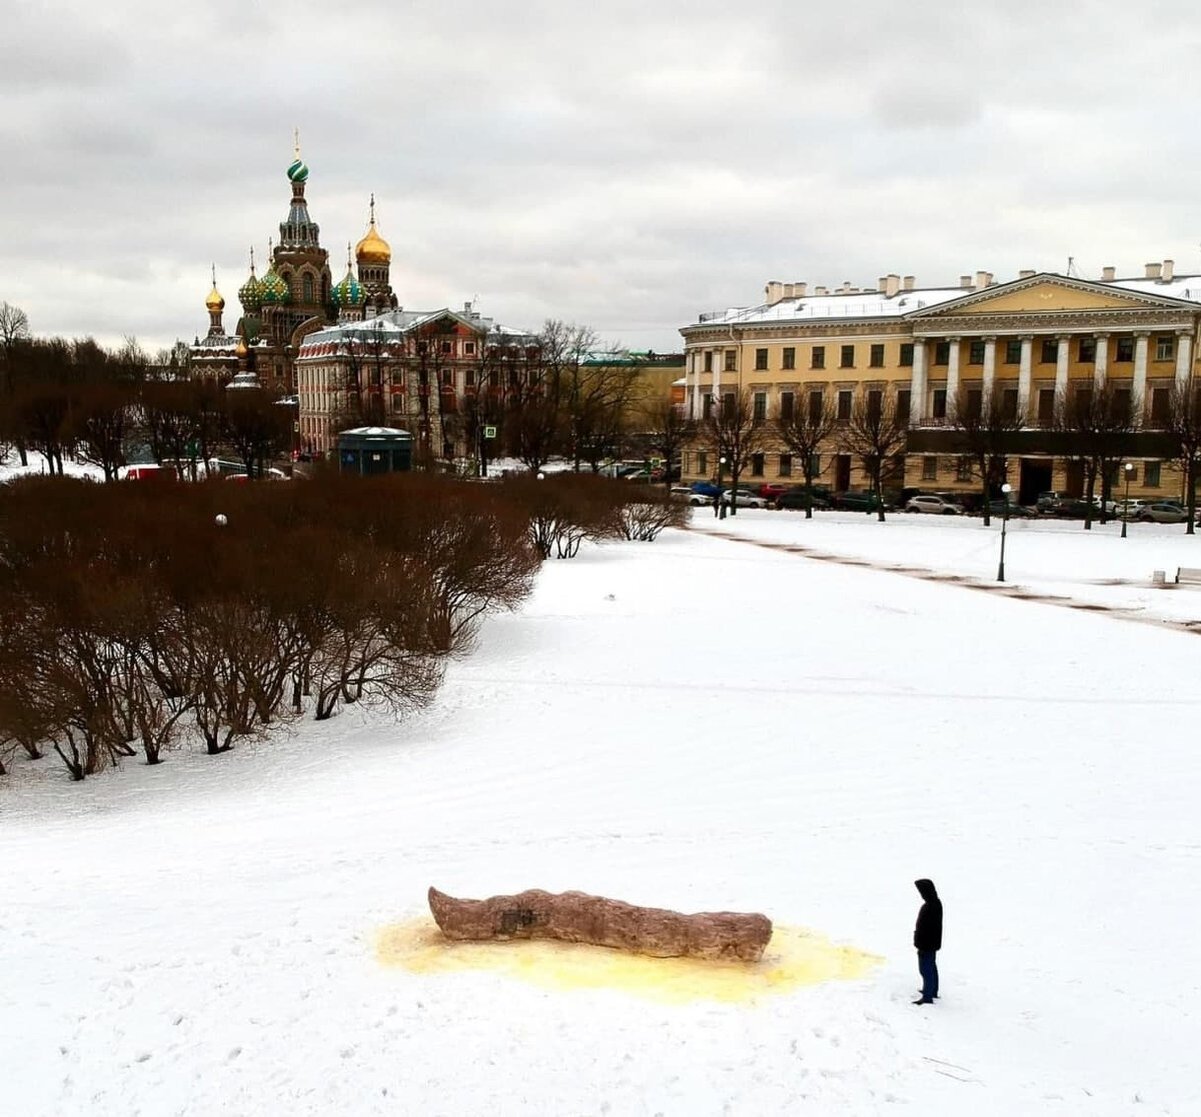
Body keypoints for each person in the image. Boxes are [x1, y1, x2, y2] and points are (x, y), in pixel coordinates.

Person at [913, 878, 942, 1005]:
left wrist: (920, 942)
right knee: (931, 967)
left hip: (927, 944)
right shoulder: (935, 903)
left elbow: (927, 928)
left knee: (926, 969)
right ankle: (931, 991)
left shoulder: (931, 906)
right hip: (930, 943)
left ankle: (928, 996)